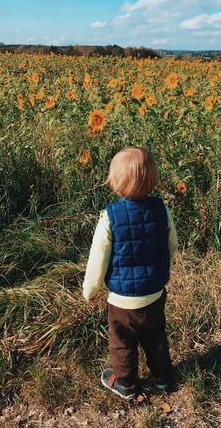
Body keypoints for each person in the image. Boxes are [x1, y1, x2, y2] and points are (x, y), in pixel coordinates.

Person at [82, 146, 178, 400]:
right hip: (155, 293)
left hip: (122, 300)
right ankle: (162, 377)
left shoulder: (110, 217)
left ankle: (125, 383)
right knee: (155, 336)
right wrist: (161, 267)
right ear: (152, 180)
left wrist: (90, 289)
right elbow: (172, 246)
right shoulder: (162, 209)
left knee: (123, 342)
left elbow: (98, 257)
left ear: (116, 182)